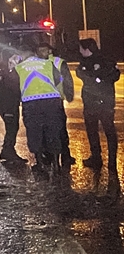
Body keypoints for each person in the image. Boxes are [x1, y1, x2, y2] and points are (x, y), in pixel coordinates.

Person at [14, 41, 65, 173]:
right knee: (53, 131)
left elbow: (13, 84)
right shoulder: (47, 63)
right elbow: (58, 78)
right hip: (51, 101)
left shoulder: (19, 67)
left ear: (22, 54)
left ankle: (40, 163)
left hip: (31, 103)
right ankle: (55, 163)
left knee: (34, 132)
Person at [77, 37, 119, 174]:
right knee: (95, 131)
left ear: (87, 49)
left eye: (81, 48)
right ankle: (98, 158)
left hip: (99, 103)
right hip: (96, 102)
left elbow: (114, 74)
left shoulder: (104, 61)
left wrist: (97, 76)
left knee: (106, 131)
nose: (79, 51)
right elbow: (80, 73)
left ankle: (108, 160)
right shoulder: (88, 62)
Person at [0, 50, 25, 164]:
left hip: (10, 102)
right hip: (7, 103)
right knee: (11, 127)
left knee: (13, 127)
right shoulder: (3, 70)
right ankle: (8, 151)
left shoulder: (5, 69)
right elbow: (10, 86)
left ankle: (8, 151)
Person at [47, 43, 76, 167]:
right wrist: (69, 95)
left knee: (47, 129)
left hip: (42, 100)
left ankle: (49, 156)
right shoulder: (59, 62)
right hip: (56, 99)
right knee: (60, 129)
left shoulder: (36, 61)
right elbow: (67, 79)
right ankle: (65, 155)